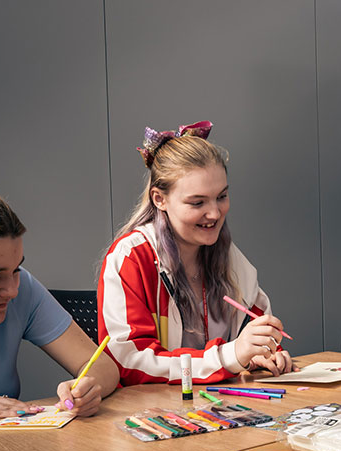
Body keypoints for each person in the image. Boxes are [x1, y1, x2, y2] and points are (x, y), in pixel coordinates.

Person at [99, 120, 295, 386]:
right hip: (149, 415)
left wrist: (264, 353)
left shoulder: (229, 256)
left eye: (222, 196)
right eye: (197, 202)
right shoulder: (130, 258)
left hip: (218, 409)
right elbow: (128, 363)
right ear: (160, 199)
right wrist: (230, 356)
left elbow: (257, 327)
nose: (215, 213)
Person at [0, 185, 118, 420]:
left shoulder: (23, 287)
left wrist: (86, 389)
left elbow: (102, 366)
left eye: (15, 269)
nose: (12, 290)